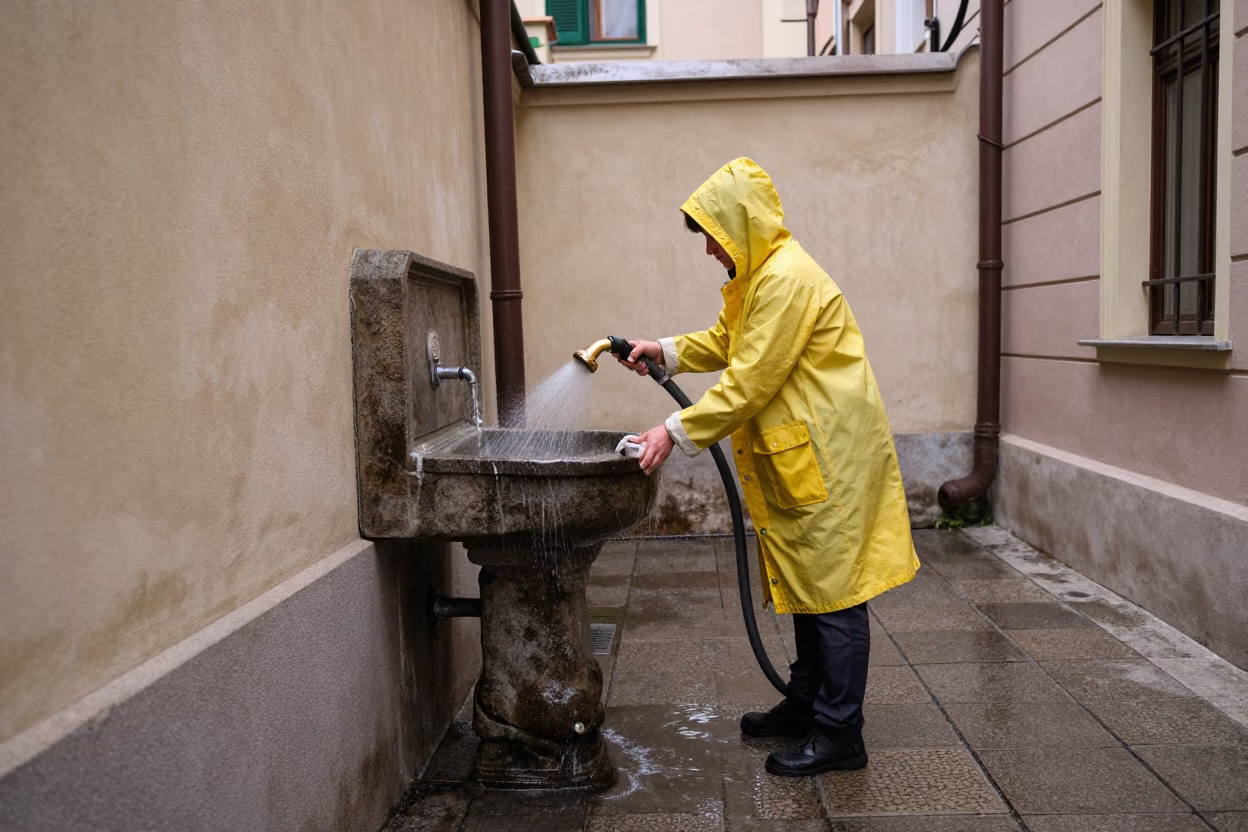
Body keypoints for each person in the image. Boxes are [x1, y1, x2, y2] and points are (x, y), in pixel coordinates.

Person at [616, 157, 919, 777]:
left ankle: (841, 735)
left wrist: (672, 431)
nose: (706, 249)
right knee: (810, 585)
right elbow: (731, 342)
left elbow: (750, 381)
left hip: (828, 455)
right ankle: (808, 704)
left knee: (835, 594)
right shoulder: (758, 279)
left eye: (711, 234)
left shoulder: (785, 280)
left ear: (739, 226)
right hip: (804, 452)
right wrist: (665, 352)